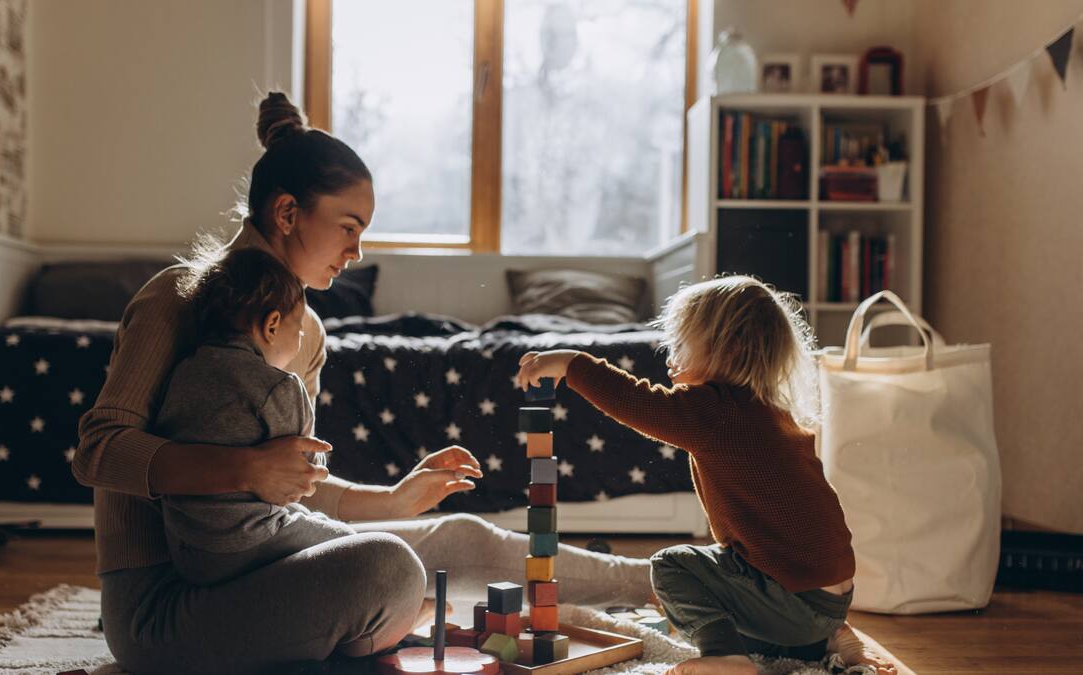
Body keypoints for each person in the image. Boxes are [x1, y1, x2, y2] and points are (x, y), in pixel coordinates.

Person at [73, 91, 653, 673]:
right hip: (163, 602)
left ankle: (663, 583)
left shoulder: (310, 333)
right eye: (348, 228)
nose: (356, 252)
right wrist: (244, 470)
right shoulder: (174, 298)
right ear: (286, 213)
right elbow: (99, 452)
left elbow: (292, 483)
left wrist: (393, 499)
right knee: (386, 571)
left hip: (267, 554)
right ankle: (362, 634)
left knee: (457, 538)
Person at [515, 276, 896, 675]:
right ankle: (828, 636)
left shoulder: (715, 410)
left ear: (727, 349)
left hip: (793, 599)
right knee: (719, 587)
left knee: (671, 565)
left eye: (680, 346)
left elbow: (636, 402)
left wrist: (572, 363)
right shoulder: (768, 410)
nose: (669, 358)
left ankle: (727, 655)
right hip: (829, 597)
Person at [156, 247, 355, 586]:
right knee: (355, 545)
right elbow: (307, 467)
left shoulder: (183, 372)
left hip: (188, 551)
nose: (301, 341)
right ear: (272, 325)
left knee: (302, 519)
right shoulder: (279, 385)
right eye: (300, 331)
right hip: (251, 538)